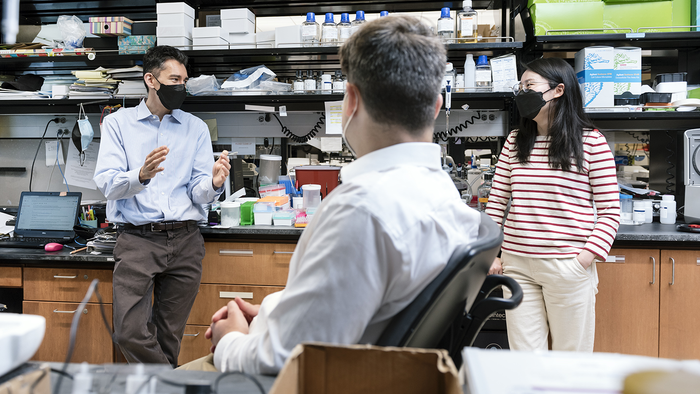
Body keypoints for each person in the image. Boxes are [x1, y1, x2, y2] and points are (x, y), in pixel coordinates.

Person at [181, 15, 482, 374]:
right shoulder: (439, 189)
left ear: (350, 101)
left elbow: (288, 358)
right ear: (435, 106)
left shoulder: (360, 210)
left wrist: (230, 339)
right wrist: (279, 310)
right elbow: (371, 302)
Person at [94, 45, 230, 366]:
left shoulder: (195, 127)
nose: (181, 86)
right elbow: (107, 184)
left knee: (168, 335)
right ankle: (172, 385)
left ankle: (161, 388)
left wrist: (213, 183)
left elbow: (197, 192)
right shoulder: (118, 124)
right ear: (151, 80)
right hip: (138, 240)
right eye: (174, 79)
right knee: (129, 330)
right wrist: (140, 175)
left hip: (186, 240)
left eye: (184, 80)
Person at [485, 57, 620, 352]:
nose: (523, 93)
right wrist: (490, 254)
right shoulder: (515, 141)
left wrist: (583, 259)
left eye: (529, 85)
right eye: (520, 87)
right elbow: (496, 204)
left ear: (558, 90)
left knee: (570, 362)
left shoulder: (591, 143)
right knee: (526, 360)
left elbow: (610, 211)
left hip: (567, 265)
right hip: (517, 266)